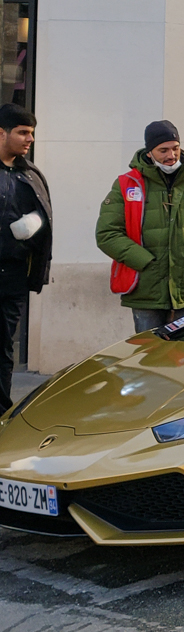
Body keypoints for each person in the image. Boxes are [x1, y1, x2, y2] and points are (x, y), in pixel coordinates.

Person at [96, 121, 184, 333]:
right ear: (149, 153)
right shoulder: (126, 184)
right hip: (145, 289)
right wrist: (145, 261)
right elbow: (107, 234)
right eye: (163, 150)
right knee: (149, 355)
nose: (171, 155)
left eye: (175, 148)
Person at [0, 104, 49, 413]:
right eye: (22, 132)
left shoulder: (29, 174)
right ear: (1, 133)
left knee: (4, 350)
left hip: (12, 278)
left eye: (31, 133)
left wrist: (32, 227)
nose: (29, 139)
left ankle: (2, 412)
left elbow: (44, 220)